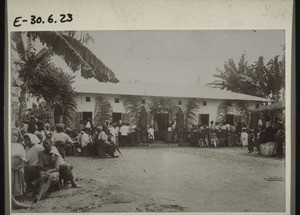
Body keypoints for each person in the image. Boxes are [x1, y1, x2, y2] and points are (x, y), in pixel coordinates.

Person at [11, 128, 27, 201]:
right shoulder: (8, 145)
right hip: (11, 166)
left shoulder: (20, 146)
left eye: (16, 135)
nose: (14, 137)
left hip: (19, 166)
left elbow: (23, 157)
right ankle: (12, 196)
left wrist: (20, 166)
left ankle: (19, 195)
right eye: (12, 135)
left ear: (18, 137)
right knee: (12, 180)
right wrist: (12, 166)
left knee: (19, 180)